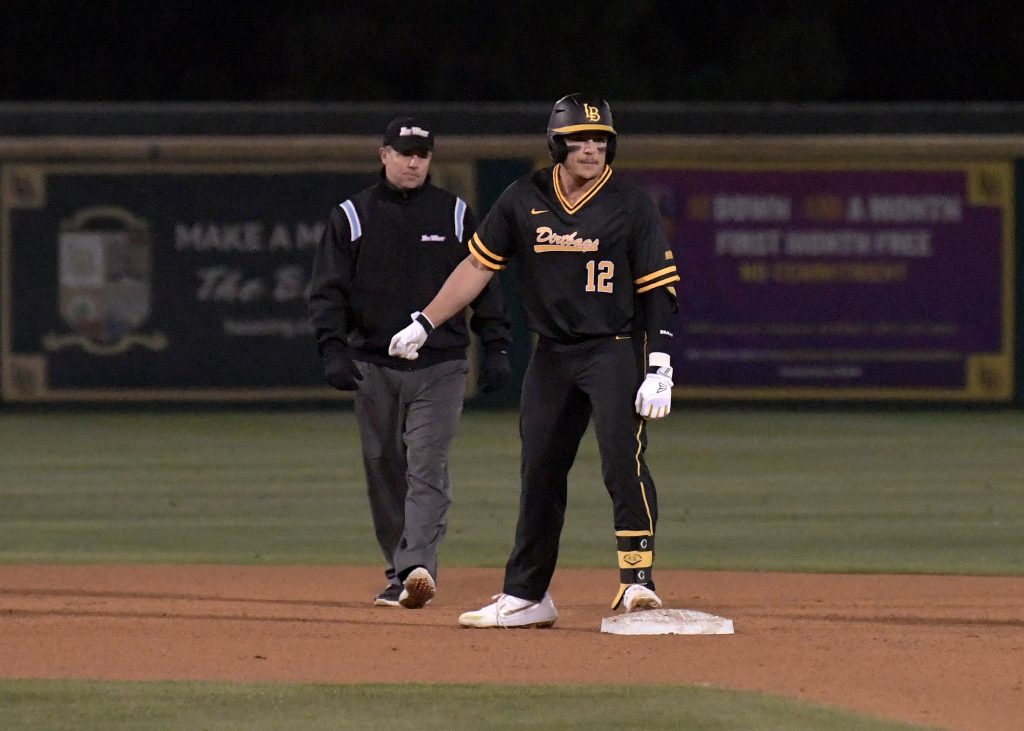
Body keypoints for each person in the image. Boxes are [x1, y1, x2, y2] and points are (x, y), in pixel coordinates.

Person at [388, 94, 680, 628]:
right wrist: (426, 322)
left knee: (622, 461)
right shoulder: (524, 198)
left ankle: (637, 580)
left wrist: (659, 364)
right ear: (556, 144)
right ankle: (527, 594)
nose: (590, 148)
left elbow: (658, 288)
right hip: (551, 354)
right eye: (578, 139)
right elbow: (477, 266)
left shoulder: (631, 204)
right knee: (540, 469)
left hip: (614, 347)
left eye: (600, 139)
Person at [308, 116, 512, 610]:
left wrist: (496, 345)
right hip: (373, 364)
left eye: (421, 155)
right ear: (384, 155)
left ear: (430, 160)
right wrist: (333, 348)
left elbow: (483, 279)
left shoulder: (454, 213)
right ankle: (398, 569)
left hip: (439, 365)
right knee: (384, 468)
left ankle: (416, 567)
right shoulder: (352, 215)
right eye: (404, 153)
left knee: (426, 463)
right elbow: (327, 290)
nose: (413, 163)